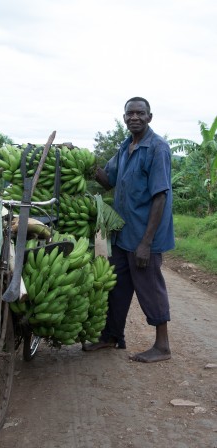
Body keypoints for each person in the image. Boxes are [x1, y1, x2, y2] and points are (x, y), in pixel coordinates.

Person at [83, 97, 175, 363]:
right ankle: (112, 336)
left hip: (145, 235)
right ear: (124, 118)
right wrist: (84, 162)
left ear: (149, 117)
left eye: (140, 113)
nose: (134, 117)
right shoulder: (125, 147)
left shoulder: (157, 148)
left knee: (149, 286)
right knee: (117, 286)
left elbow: (160, 197)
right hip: (123, 235)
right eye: (130, 113)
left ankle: (162, 346)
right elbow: (108, 180)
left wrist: (146, 243)